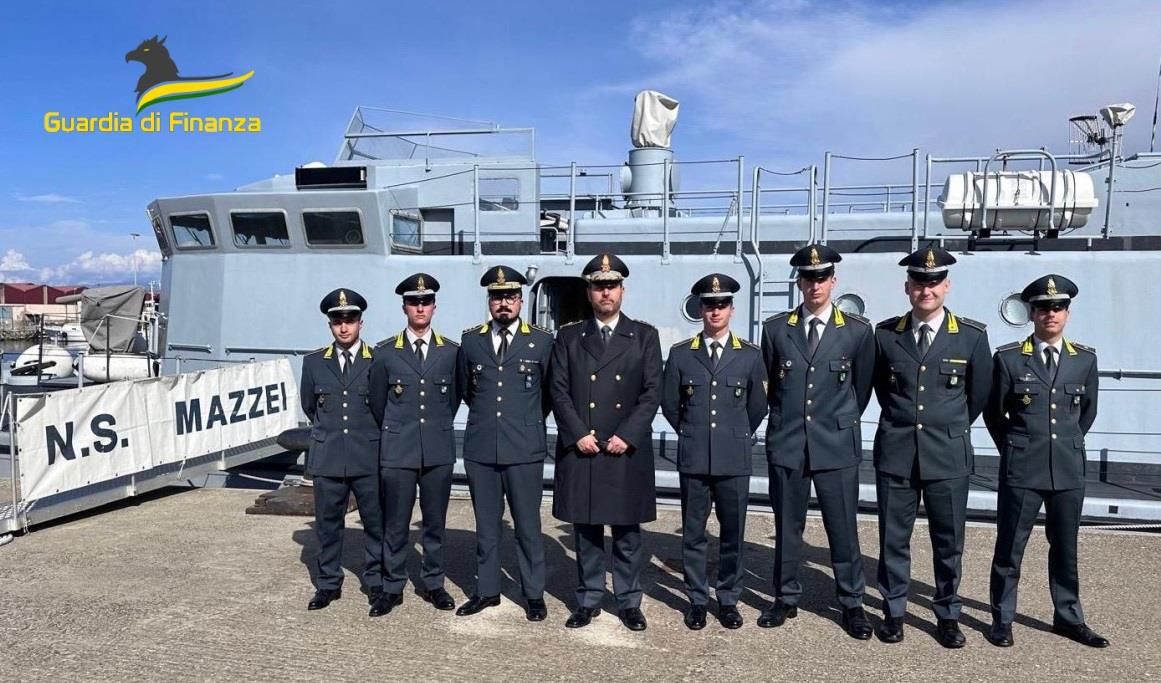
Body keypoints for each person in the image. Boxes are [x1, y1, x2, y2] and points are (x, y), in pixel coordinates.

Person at [872, 246, 991, 647]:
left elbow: (977, 398)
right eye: (919, 282)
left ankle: (947, 614)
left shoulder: (972, 337)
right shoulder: (887, 335)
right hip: (898, 451)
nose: (927, 289)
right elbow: (879, 391)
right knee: (893, 538)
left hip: (947, 454)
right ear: (907, 287)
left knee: (948, 540)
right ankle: (893, 611)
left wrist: (945, 428)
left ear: (947, 286)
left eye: (934, 282)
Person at [983, 274, 1107, 648]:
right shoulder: (1008, 359)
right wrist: (1015, 448)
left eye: (1058, 307)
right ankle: (1002, 619)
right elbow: (993, 413)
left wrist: (1065, 444)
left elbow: (1087, 413)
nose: (1050, 314)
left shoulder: (1084, 360)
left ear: (1067, 312)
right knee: (1010, 548)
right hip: (1022, 467)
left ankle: (1068, 618)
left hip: (1067, 468)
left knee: (1066, 548)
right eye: (1043, 308)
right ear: (1032, 313)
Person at [759, 245, 876, 639]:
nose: (814, 285)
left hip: (835, 444)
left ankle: (851, 603)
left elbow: (860, 390)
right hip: (789, 442)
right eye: (807, 278)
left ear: (833, 281)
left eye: (821, 278)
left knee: (842, 527)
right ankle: (785, 597)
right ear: (799, 282)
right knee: (787, 526)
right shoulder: (776, 329)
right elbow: (772, 386)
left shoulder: (858, 331)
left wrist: (836, 423)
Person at [550, 253, 663, 632]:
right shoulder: (568, 336)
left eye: (611, 286)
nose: (605, 293)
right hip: (584, 446)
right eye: (598, 286)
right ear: (589, 291)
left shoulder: (644, 336)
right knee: (587, 531)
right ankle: (589, 599)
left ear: (622, 290)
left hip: (623, 448)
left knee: (627, 533)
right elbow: (559, 390)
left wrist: (626, 435)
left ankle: (629, 601)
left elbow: (652, 393)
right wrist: (578, 432)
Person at [661, 273, 767, 631]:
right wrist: (694, 434)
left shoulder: (750, 356)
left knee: (732, 533)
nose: (715, 311)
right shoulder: (681, 356)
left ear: (732, 309)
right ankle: (695, 599)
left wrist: (733, 435)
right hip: (694, 457)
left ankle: (729, 598)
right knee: (693, 533)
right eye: (709, 305)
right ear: (700, 310)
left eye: (722, 305)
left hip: (733, 459)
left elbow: (758, 407)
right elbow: (670, 405)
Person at [455, 265, 554, 622]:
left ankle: (533, 593)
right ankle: (487, 591)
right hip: (482, 448)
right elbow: (467, 390)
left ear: (521, 300)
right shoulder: (471, 341)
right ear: (489, 301)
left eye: (510, 296)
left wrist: (523, 423)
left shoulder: (542, 341)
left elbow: (548, 396)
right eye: (497, 297)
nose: (504, 303)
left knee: (527, 526)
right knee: (487, 526)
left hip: (524, 449)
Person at [368, 273, 461, 616]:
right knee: (396, 522)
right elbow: (378, 403)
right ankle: (392, 586)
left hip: (437, 450)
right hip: (398, 451)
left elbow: (454, 398)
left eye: (425, 302)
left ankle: (434, 583)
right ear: (404, 307)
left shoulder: (450, 352)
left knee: (435, 522)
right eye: (413, 302)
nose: (419, 308)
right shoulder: (385, 352)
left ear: (434, 307)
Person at [298, 288, 386, 616]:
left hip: (368, 457)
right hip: (329, 457)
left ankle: (375, 581)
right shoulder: (313, 363)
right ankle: (328, 583)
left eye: (349, 320)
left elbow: (381, 407)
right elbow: (311, 406)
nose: (344, 327)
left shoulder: (377, 360)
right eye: (337, 321)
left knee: (375, 522)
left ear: (361, 323)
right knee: (328, 524)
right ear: (330, 325)